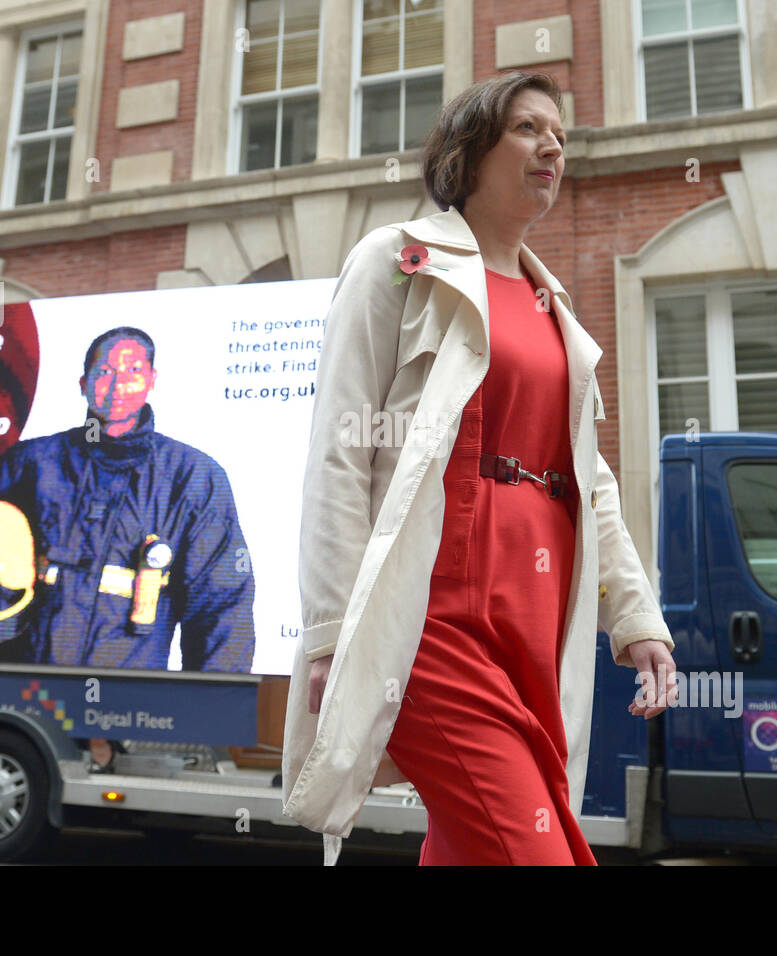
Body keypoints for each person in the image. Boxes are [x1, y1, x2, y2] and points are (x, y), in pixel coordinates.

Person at [282, 72, 678, 865]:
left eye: (560, 134)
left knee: (473, 845)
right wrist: (332, 635)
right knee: (535, 848)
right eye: (529, 128)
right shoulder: (398, 262)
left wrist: (636, 617)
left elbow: (588, 479)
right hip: (428, 620)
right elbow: (338, 449)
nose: (553, 146)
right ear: (472, 149)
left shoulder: (553, 307)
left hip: (533, 619)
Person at [0, 326, 256, 674]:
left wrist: (212, 699)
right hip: (24, 678)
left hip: (129, 697)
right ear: (83, 384)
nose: (117, 384)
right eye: (104, 371)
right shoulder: (34, 461)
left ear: (152, 379)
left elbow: (222, 605)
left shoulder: (193, 477)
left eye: (133, 369)